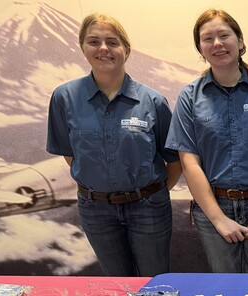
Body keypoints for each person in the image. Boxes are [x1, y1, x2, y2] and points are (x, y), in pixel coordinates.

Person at [46, 13, 181, 276]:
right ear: (83, 48)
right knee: (117, 284)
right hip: (95, 211)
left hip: (149, 209)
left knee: (155, 285)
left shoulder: (153, 101)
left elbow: (174, 159)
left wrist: (153, 194)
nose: (104, 49)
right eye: (94, 41)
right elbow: (69, 153)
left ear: (126, 50)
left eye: (112, 42)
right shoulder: (64, 97)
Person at [166, 9, 248, 273]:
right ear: (200, 49)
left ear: (239, 41)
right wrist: (218, 219)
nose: (217, 44)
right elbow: (189, 162)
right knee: (226, 285)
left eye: (224, 35)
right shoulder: (190, 98)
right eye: (207, 39)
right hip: (213, 208)